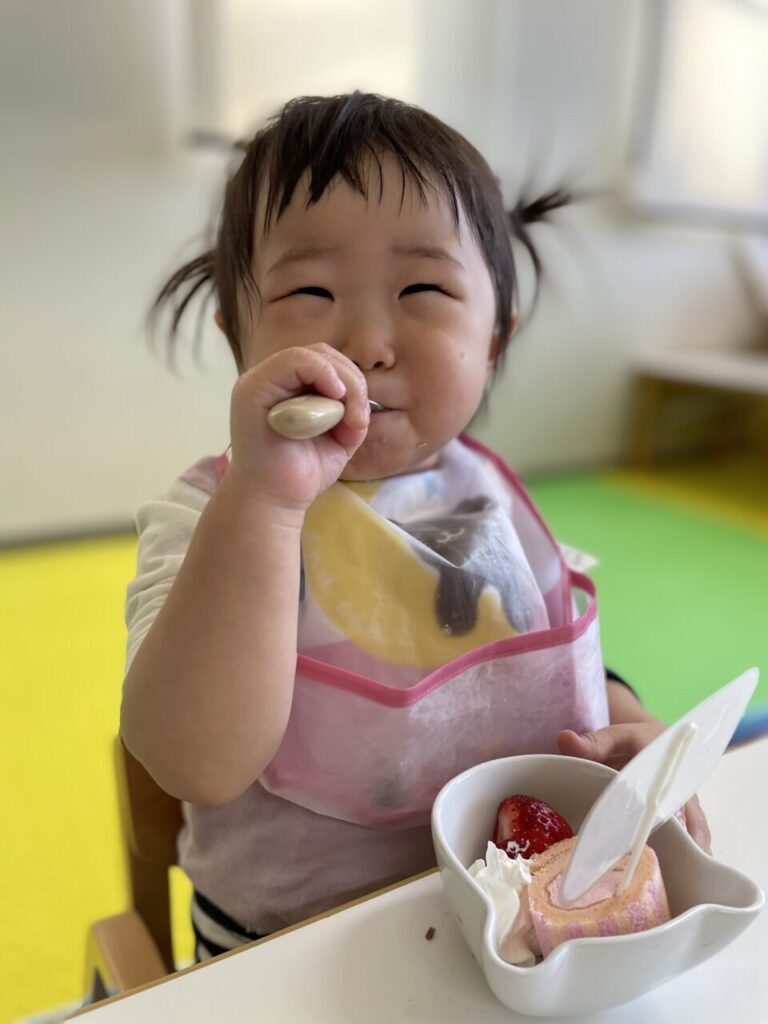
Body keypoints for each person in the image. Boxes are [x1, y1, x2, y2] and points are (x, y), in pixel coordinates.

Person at [121, 92, 710, 962]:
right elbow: (193, 761)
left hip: (515, 926)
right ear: (238, 338)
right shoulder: (216, 515)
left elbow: (538, 654)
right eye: (310, 291)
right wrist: (267, 503)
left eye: (424, 289)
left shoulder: (486, 496)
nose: (366, 341)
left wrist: (629, 725)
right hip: (285, 951)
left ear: (495, 338)